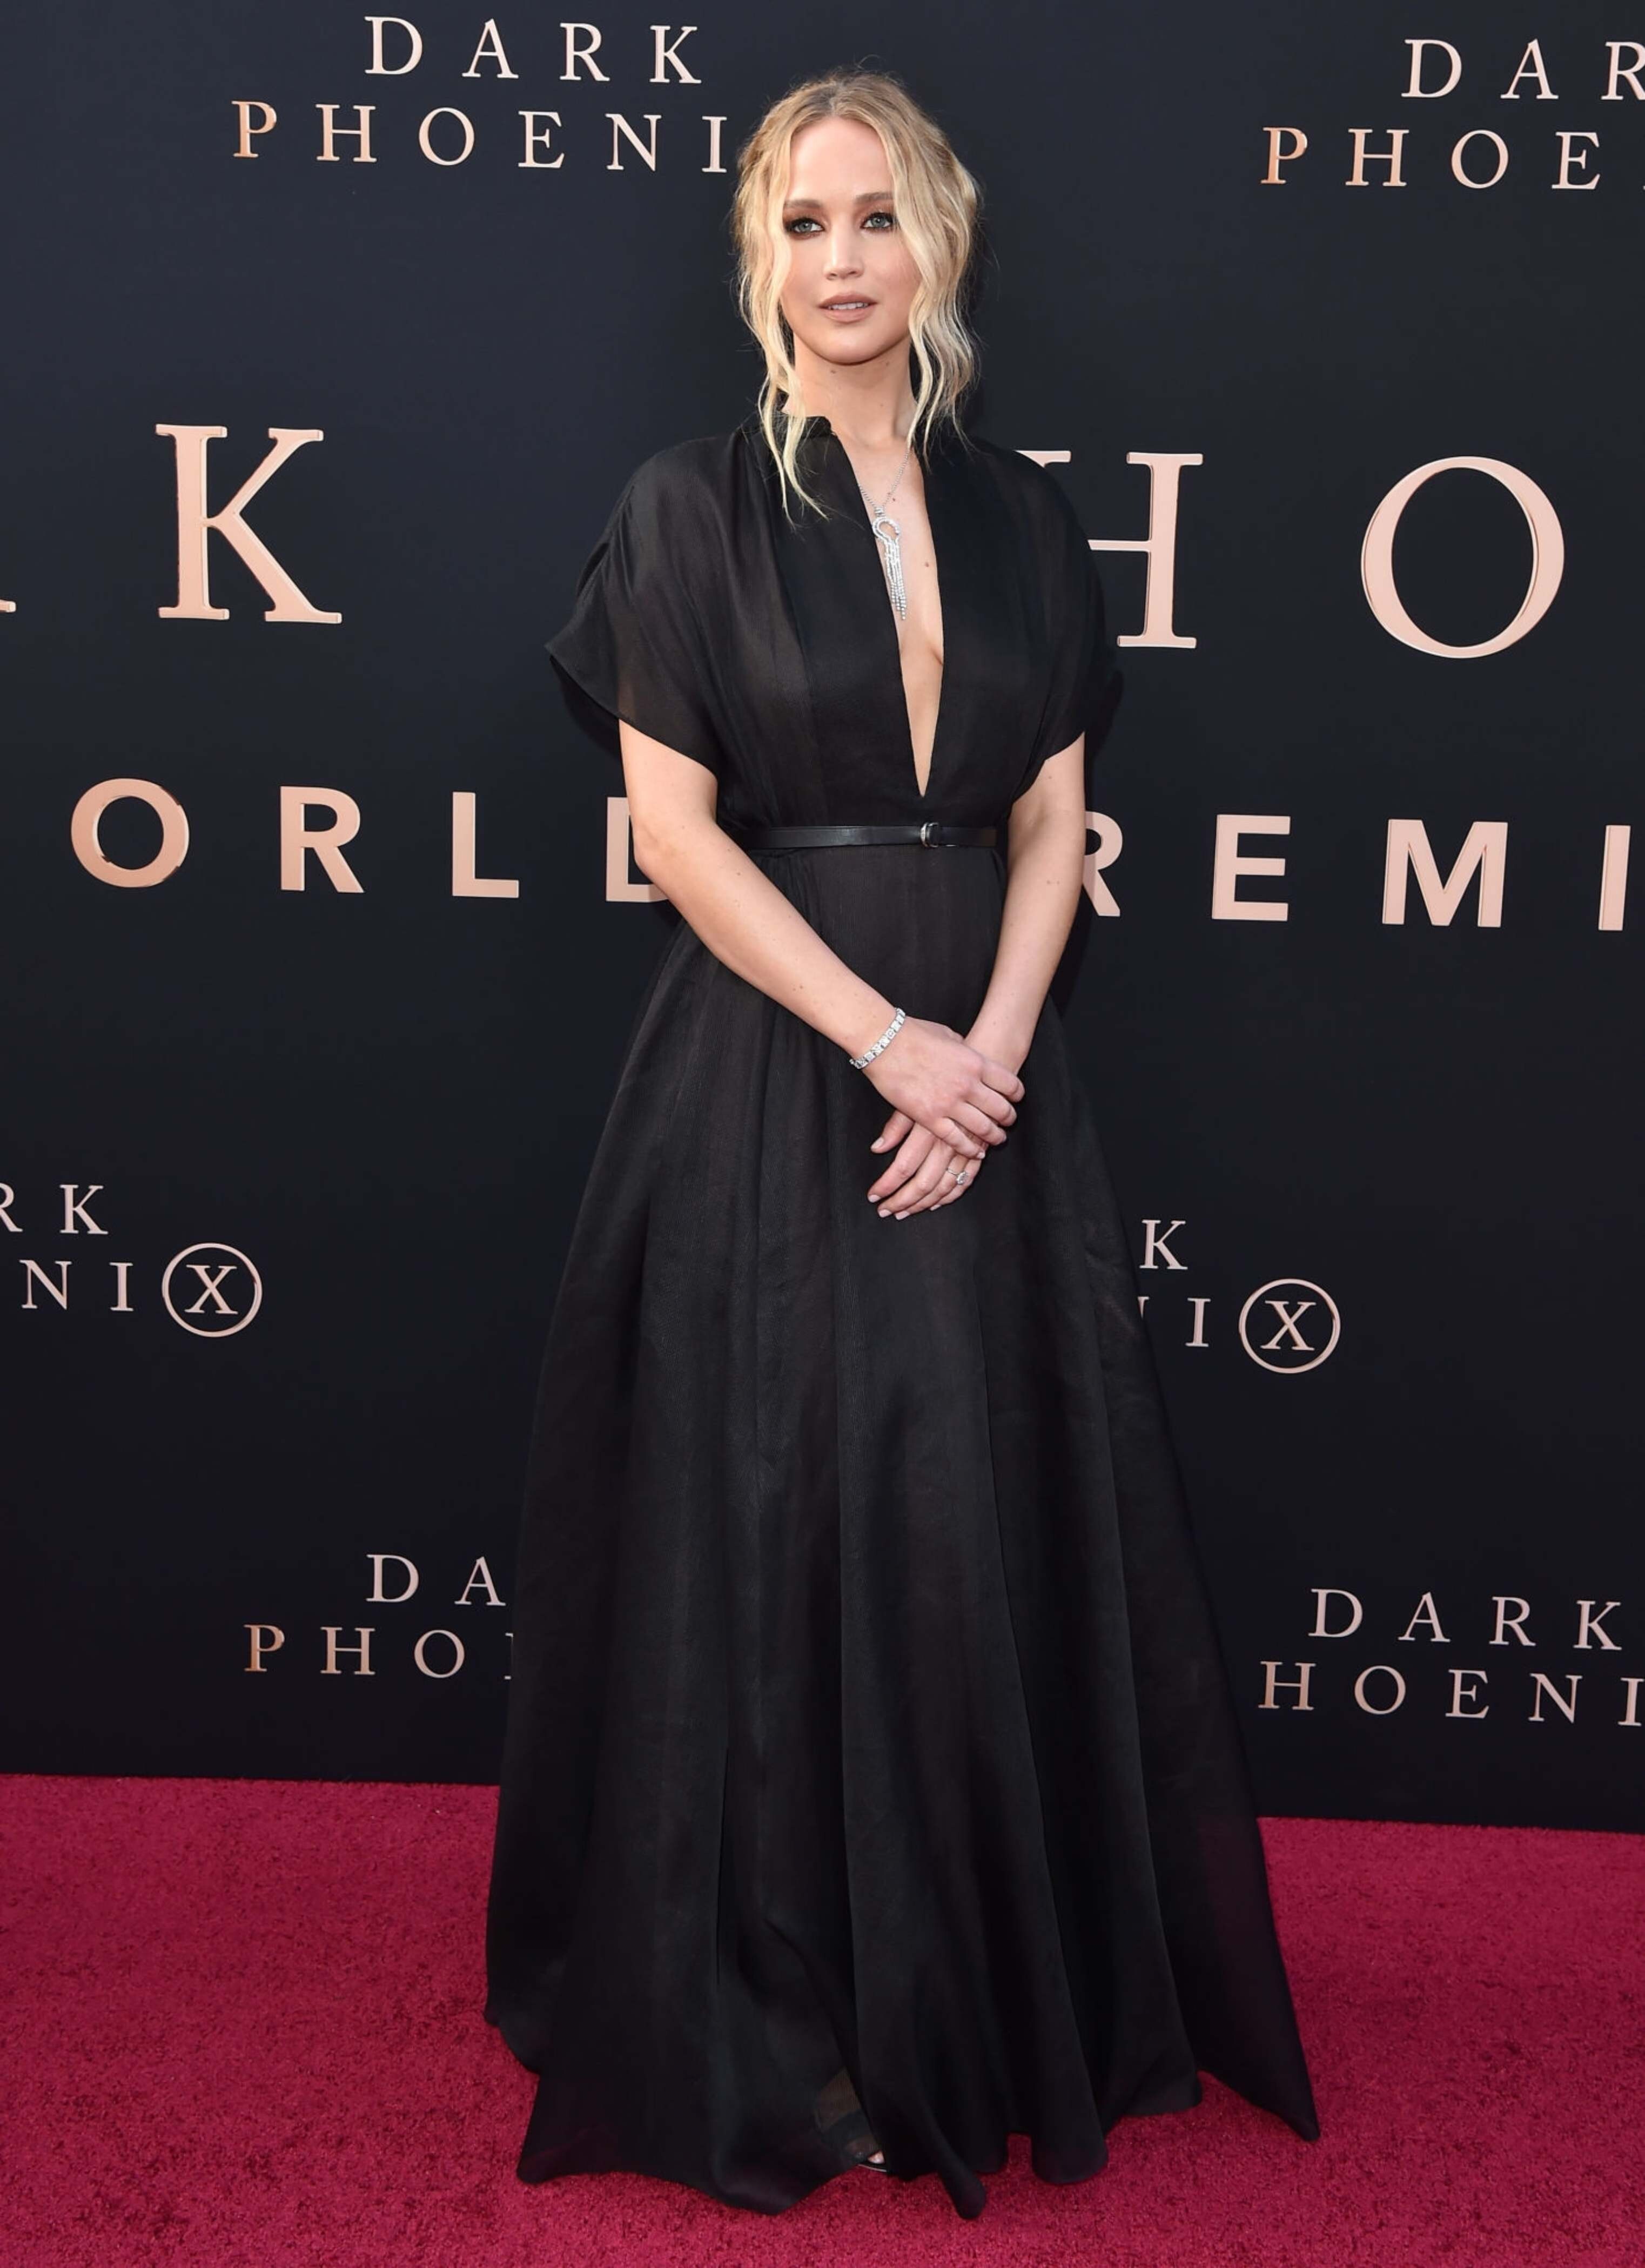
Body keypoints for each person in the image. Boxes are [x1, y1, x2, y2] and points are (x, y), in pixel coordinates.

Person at [484, 65, 1319, 2222]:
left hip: (989, 1088)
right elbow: (677, 836)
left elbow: (1052, 823)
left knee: (973, 1526)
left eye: (875, 218)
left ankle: (987, 1998)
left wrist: (990, 1062)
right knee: (781, 1521)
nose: (840, 260)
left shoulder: (1027, 513)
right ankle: (786, 2021)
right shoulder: (684, 508)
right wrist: (885, 1043)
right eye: (801, 223)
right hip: (782, 1072)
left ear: (938, 242)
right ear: (757, 260)